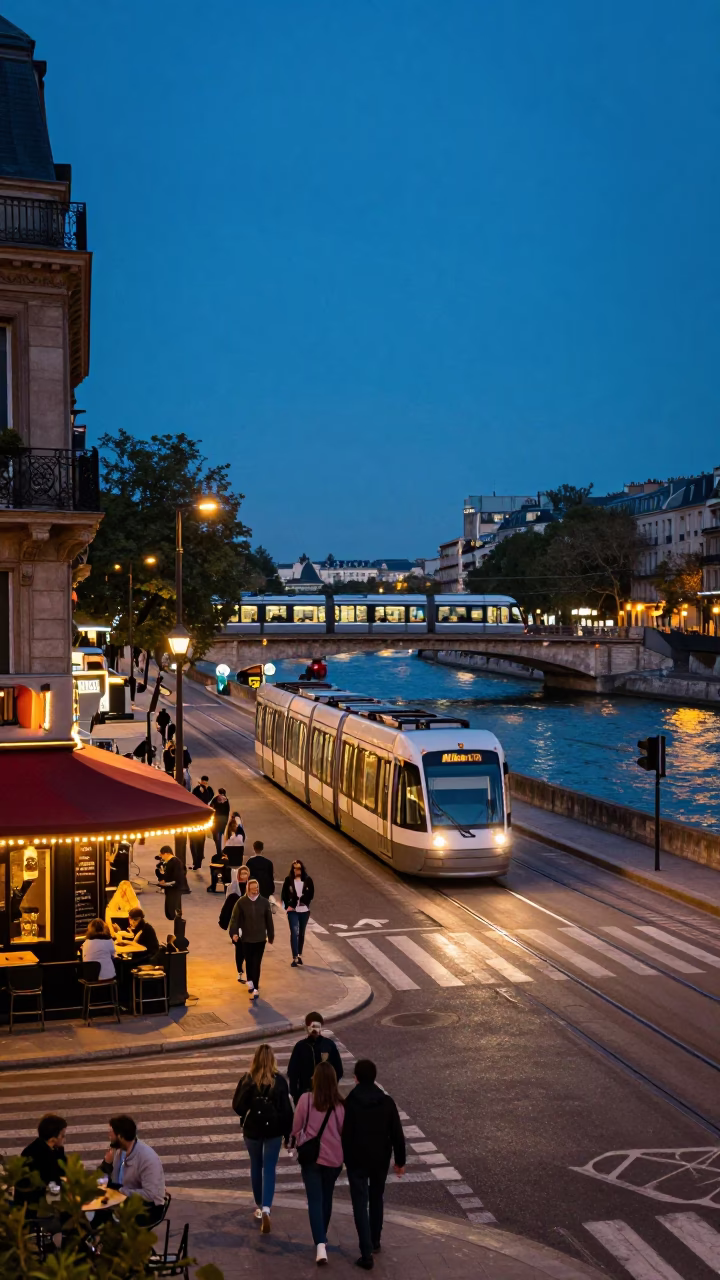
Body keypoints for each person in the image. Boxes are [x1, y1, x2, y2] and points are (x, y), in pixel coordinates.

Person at [342, 1059, 406, 1269]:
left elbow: (345, 1133)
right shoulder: (386, 1102)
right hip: (380, 1159)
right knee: (376, 1197)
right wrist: (399, 1161)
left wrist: (344, 1156)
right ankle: (376, 1240)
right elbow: (397, 1133)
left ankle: (366, 1251)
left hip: (356, 1160)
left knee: (360, 1203)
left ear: (356, 1078)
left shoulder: (350, 1101)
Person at [232, 1044, 293, 1234]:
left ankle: (259, 1205)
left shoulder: (248, 1079)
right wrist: (287, 1135)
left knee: (256, 1165)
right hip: (273, 1131)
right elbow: (286, 1112)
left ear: (255, 1059)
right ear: (273, 1059)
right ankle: (267, 1207)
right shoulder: (280, 1082)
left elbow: (237, 1106)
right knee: (270, 1168)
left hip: (252, 1131)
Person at [291, 1062, 345, 1266]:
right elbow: (343, 1132)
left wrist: (301, 1137)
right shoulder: (340, 1105)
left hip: (311, 1158)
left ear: (315, 1079)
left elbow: (296, 1128)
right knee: (327, 1197)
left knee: (314, 1200)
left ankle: (320, 1244)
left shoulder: (306, 1099)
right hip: (333, 1159)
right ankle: (323, 1235)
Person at [100, 1115, 166, 1227]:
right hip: (125, 1200)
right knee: (96, 1216)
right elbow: (105, 1181)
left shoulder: (147, 1158)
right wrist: (107, 1164)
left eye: (111, 1132)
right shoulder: (118, 1151)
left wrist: (122, 1191)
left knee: (110, 1223)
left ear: (120, 1136)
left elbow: (150, 1194)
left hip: (148, 1209)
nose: (109, 1135)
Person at [229, 878, 274, 1001]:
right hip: (247, 939)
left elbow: (269, 920)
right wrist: (234, 932)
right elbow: (234, 919)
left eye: (257, 888)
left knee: (256, 963)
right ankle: (250, 981)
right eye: (253, 889)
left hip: (260, 939)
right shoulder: (241, 902)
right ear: (248, 889)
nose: (255, 891)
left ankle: (255, 989)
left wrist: (271, 936)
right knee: (249, 962)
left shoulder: (264, 903)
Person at [288, 1013, 344, 1104]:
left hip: (326, 1094)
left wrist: (331, 1089)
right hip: (306, 1094)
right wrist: (295, 1094)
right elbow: (292, 1072)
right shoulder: (300, 1047)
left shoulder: (329, 1045)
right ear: (307, 1027)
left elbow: (338, 1070)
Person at [16, 1113, 67, 1212]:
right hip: (37, 1208)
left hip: (30, 1204)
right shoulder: (45, 1155)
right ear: (53, 1139)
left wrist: (60, 1149)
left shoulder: (39, 1147)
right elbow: (56, 1179)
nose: (64, 1139)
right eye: (62, 1136)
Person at [281, 859, 315, 966]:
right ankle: (294, 957)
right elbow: (284, 894)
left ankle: (299, 954)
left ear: (302, 869)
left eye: (299, 868)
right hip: (293, 911)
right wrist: (288, 906)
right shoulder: (288, 880)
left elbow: (311, 894)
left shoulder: (308, 880)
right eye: (295, 868)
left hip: (304, 911)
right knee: (294, 932)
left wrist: (305, 902)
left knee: (301, 933)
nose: (297, 870)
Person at [220, 867, 250, 980]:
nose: (244, 875)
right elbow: (227, 906)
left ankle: (249, 972)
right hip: (238, 924)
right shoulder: (233, 888)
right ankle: (240, 971)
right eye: (242, 873)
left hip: (249, 924)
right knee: (240, 948)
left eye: (246, 873)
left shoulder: (252, 887)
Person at [155, 845, 187, 921]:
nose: (162, 857)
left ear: (166, 853)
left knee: (173, 904)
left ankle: (175, 917)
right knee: (170, 904)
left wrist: (166, 883)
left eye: (162, 855)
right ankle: (173, 916)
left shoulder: (176, 862)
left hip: (175, 888)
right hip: (171, 887)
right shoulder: (168, 862)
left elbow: (177, 877)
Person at [189, 776, 214, 869]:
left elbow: (208, 798)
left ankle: (197, 861)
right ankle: (196, 861)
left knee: (198, 842)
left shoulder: (209, 790)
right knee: (194, 843)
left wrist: (205, 790)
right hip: (198, 820)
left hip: (200, 821)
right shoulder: (196, 790)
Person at [210, 788, 230, 855]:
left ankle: (218, 850)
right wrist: (226, 821)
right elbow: (228, 811)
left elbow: (211, 807)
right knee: (220, 835)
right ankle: (219, 850)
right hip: (223, 820)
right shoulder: (226, 800)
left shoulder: (215, 799)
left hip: (216, 819)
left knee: (216, 835)